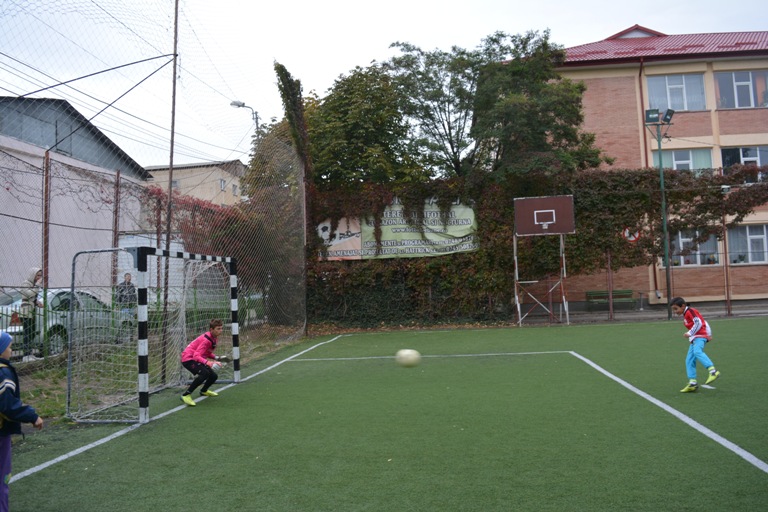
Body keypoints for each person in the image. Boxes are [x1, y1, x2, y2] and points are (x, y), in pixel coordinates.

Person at [1, 331, 44, 512]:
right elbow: (8, 406)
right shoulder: (3, 372)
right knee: (2, 478)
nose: (11, 350)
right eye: (9, 347)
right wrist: (32, 416)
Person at [670, 297, 720, 393]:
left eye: (676, 309)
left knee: (697, 352)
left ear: (683, 306)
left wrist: (691, 333)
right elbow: (702, 321)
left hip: (700, 336)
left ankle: (713, 371)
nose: (675, 311)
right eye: (673, 310)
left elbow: (699, 322)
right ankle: (692, 383)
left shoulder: (690, 311)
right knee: (689, 360)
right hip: (695, 338)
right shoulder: (686, 314)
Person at [179, 319, 227, 406]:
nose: (221, 331)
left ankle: (203, 391)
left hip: (195, 358)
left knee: (213, 376)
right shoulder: (206, 340)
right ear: (211, 329)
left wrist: (217, 358)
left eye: (221, 328)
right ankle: (186, 395)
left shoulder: (214, 338)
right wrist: (209, 363)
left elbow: (206, 352)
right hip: (188, 359)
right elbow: (196, 356)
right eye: (218, 329)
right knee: (204, 373)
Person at [18, 268, 43, 363]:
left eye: (40, 275)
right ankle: (26, 355)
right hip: (26, 312)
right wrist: (37, 285)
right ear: (33, 275)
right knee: (27, 334)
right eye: (38, 275)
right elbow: (28, 294)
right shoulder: (26, 283)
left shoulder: (33, 284)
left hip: (32, 311)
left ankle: (30, 353)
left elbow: (32, 297)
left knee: (32, 333)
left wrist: (37, 302)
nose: (39, 277)